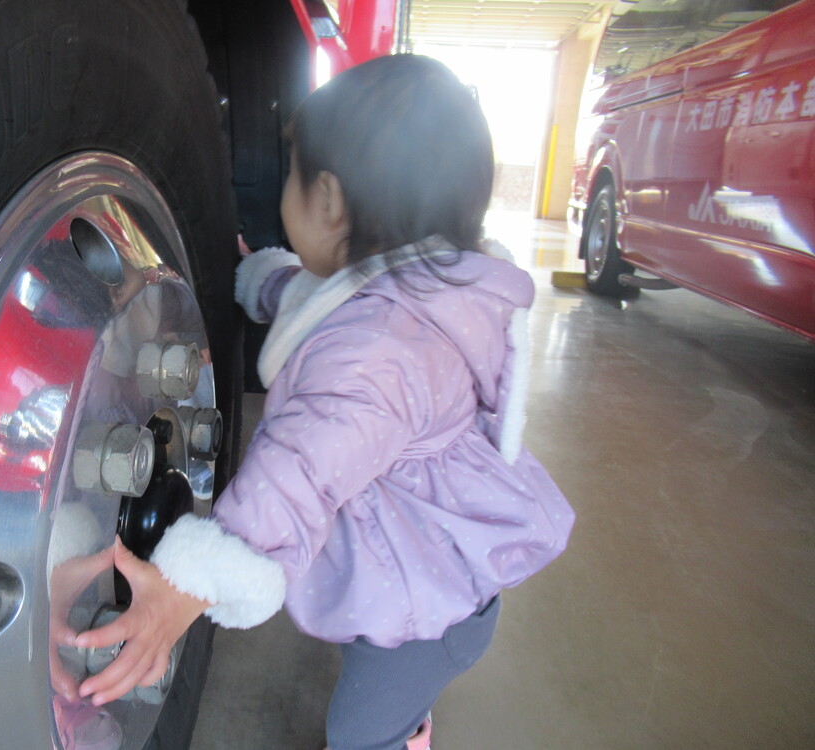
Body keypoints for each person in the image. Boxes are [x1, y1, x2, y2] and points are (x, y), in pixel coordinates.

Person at [75, 54, 575, 750]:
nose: (285, 191)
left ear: (330, 201)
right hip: (422, 558)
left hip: (426, 611)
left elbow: (299, 474)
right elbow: (314, 297)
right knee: (372, 667)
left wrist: (186, 587)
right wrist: (261, 277)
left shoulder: (379, 356)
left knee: (360, 731)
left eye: (293, 177)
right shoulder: (408, 286)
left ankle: (403, 734)